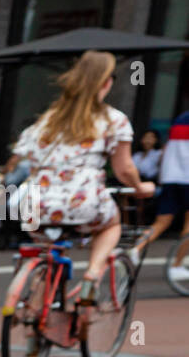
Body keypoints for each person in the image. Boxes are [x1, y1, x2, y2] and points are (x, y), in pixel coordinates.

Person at [10, 50, 154, 308]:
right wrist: (140, 187)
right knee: (111, 225)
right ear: (106, 82)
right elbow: (124, 169)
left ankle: (33, 313)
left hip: (35, 204)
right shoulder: (113, 120)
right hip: (82, 201)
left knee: (49, 253)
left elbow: (21, 158)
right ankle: (92, 275)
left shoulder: (48, 119)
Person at [133, 110, 189, 261]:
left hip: (170, 178)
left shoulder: (180, 120)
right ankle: (177, 265)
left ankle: (135, 249)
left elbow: (166, 151)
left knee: (161, 222)